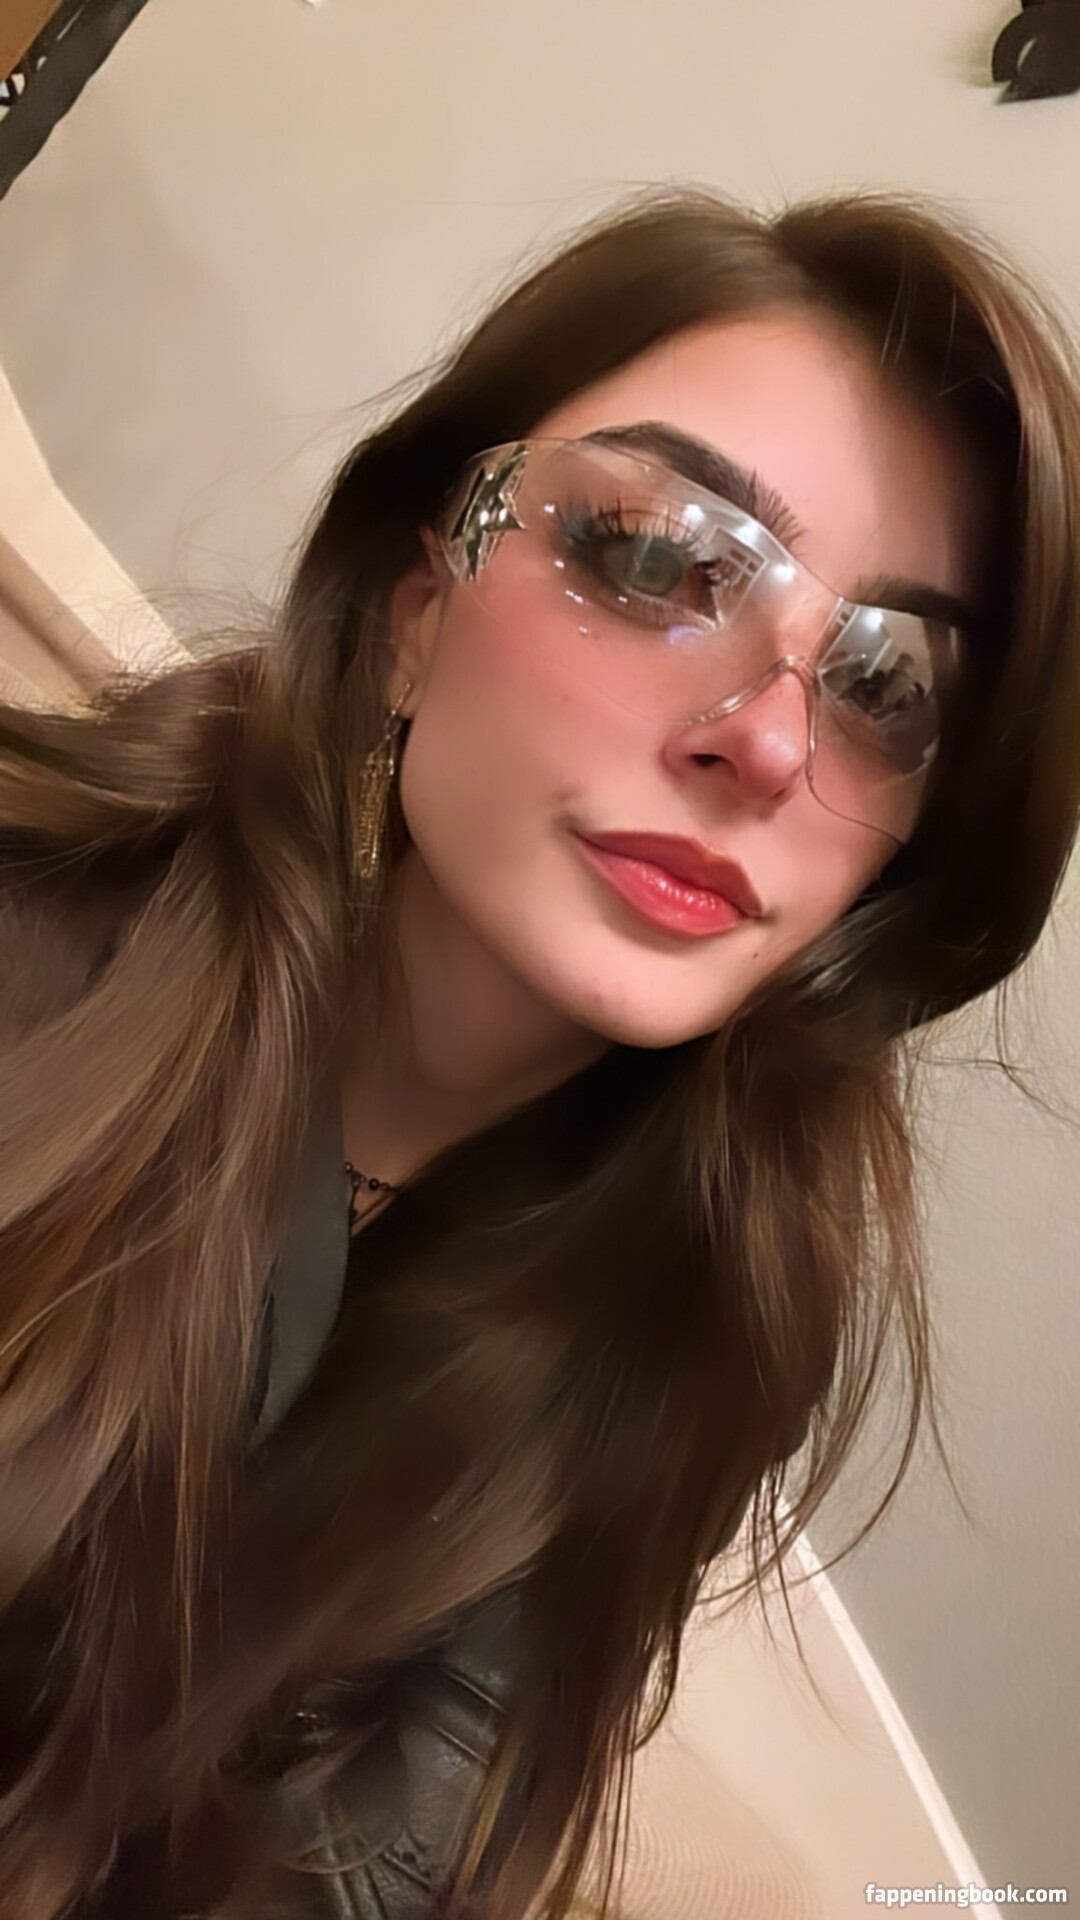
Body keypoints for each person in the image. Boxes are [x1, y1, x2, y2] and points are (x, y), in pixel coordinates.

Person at [0, 182, 1078, 1920]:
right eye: (656, 557)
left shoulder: (718, 1300)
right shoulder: (38, 940)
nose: (769, 742)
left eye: (887, 687)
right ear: (418, 609)